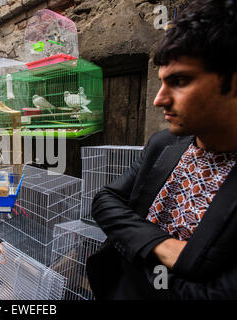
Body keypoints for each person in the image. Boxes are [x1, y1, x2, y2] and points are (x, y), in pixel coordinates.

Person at [86, 0, 237, 299]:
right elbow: (105, 199)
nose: (159, 100)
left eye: (179, 81)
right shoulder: (164, 143)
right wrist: (162, 246)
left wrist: (136, 253)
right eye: (161, 83)